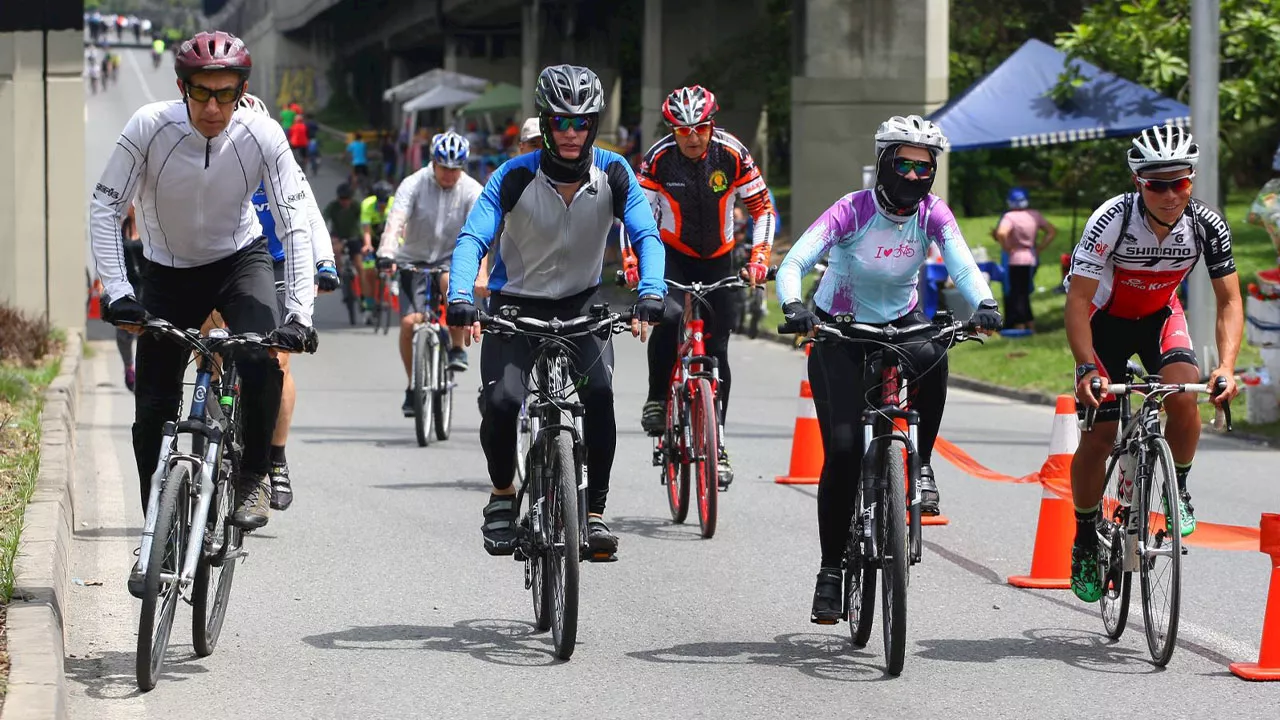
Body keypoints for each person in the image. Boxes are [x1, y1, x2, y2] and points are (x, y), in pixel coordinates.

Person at [89, 31, 318, 597]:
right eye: (201, 94)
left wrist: (300, 311)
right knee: (152, 413)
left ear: (243, 90)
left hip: (240, 260)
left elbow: (294, 216)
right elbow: (104, 204)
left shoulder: (261, 133)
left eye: (226, 94)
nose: (213, 108)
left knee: (265, 358)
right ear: (181, 88)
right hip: (166, 272)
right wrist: (118, 290)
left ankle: (253, 476)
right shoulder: (148, 126)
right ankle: (158, 533)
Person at [775, 115, 1002, 623]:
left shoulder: (932, 215)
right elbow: (793, 263)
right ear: (883, 162)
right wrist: (795, 307)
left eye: (926, 168)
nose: (916, 176)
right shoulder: (851, 211)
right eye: (904, 164)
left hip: (901, 324)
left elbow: (962, 263)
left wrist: (984, 302)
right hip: (840, 331)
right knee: (843, 451)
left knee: (936, 351)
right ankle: (831, 572)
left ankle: (920, 465)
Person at [446, 64, 667, 560]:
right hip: (515, 304)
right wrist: (461, 297)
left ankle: (593, 513)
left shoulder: (613, 171)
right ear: (544, 124)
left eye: (582, 122)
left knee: (603, 396)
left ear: (594, 125)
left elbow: (645, 235)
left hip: (582, 302)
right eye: (561, 122)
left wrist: (650, 291)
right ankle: (503, 494)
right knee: (502, 404)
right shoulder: (513, 176)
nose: (571, 133)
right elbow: (472, 238)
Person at [1065, 125, 1242, 603]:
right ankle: (1084, 536)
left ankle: (1178, 486)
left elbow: (1229, 300)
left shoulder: (1205, 224)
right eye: (1156, 184)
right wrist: (1086, 367)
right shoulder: (1112, 220)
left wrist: (1225, 365)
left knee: (1185, 395)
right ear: (1138, 182)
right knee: (1100, 434)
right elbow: (1078, 300)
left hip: (1161, 317)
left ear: (1192, 180)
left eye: (1179, 183)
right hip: (1105, 324)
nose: (1168, 194)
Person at [635, 84, 776, 486]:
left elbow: (761, 207)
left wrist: (759, 259)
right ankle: (658, 399)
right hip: (673, 253)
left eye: (700, 128)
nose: (692, 138)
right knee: (669, 316)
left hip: (719, 257)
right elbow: (639, 218)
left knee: (717, 348)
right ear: (671, 129)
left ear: (712, 125)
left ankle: (719, 443)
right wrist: (634, 264)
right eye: (682, 130)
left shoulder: (731, 153)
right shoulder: (658, 159)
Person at [237, 92, 341, 510]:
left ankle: (275, 457)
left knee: (276, 360)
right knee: (209, 348)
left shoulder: (279, 163)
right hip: (226, 263)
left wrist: (325, 262)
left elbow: (308, 215)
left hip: (275, 265)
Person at [377, 131, 482, 415]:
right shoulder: (413, 184)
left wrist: (482, 271)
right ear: (433, 163)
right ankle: (414, 385)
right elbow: (396, 220)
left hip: (452, 260)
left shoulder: (472, 190)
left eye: (455, 169)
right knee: (410, 323)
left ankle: (457, 348)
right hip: (414, 261)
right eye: (444, 168)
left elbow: (484, 232)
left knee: (450, 282)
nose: (449, 175)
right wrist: (386, 253)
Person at [995, 187, 1056, 331]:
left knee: (1016, 293)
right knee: (1025, 292)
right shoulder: (1034, 215)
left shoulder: (1010, 217)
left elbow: (1001, 233)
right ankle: (1030, 324)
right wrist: (1039, 248)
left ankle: (1020, 325)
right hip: (1031, 257)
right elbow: (1051, 232)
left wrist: (1007, 247)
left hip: (1015, 257)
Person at [115, 204, 146, 391]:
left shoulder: (149, 227)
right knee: (123, 333)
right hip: (127, 286)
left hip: (147, 286)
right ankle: (128, 366)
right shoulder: (121, 228)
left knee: (146, 331)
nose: (132, 207)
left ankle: (143, 372)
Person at [358, 180, 395, 316]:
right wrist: (367, 245)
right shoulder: (367, 204)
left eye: (385, 203)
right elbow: (366, 229)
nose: (382, 206)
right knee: (369, 271)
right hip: (372, 239)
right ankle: (369, 302)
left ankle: (394, 280)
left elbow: (400, 228)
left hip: (389, 237)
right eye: (380, 203)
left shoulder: (395, 203)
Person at [324, 183, 363, 273]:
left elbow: (365, 221)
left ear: (351, 198)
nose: (344, 201)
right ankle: (339, 272)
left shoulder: (356, 206)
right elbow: (323, 218)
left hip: (353, 237)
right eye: (342, 199)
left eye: (347, 199)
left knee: (359, 265)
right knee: (336, 250)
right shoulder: (333, 206)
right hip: (337, 236)